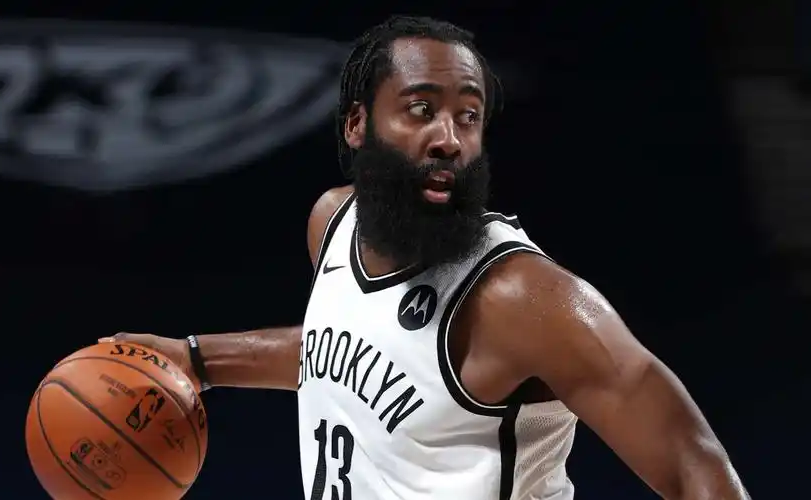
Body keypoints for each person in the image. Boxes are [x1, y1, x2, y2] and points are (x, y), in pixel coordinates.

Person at [100, 15, 750, 500]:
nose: (448, 138)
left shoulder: (524, 299)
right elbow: (350, 347)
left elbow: (695, 468)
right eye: (420, 109)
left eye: (468, 117)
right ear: (357, 124)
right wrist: (197, 359)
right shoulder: (334, 223)